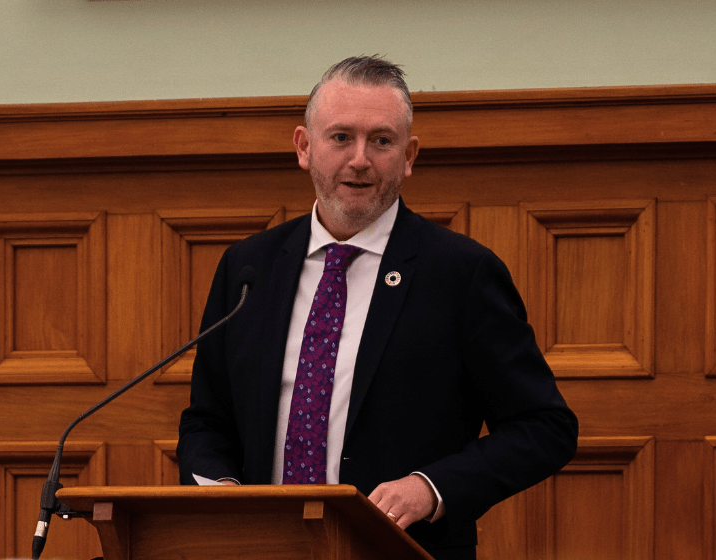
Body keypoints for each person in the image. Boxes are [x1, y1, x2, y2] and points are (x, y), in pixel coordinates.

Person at [177, 55, 578, 560]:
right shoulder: (248, 269)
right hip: (260, 547)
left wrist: (431, 487)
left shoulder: (459, 273)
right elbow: (205, 421)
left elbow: (546, 427)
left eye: (382, 141)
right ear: (304, 147)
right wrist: (222, 494)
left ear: (409, 155)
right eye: (341, 137)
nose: (361, 159)